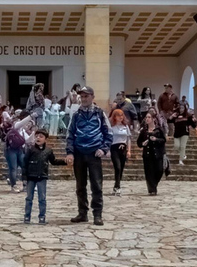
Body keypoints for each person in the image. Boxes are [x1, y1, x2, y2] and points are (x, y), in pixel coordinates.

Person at [65, 86, 112, 226]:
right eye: (82, 96)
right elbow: (70, 135)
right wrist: (70, 152)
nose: (84, 99)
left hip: (94, 154)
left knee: (96, 185)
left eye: (86, 96)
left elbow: (108, 133)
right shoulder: (76, 115)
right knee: (80, 185)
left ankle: (97, 214)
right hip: (79, 153)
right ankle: (82, 213)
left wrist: (103, 149)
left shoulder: (99, 114)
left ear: (92, 97)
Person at [23, 129, 66, 225]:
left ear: (45, 139)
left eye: (41, 136)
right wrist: (24, 177)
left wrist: (64, 161)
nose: (38, 138)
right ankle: (27, 216)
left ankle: (42, 216)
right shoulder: (30, 149)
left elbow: (53, 161)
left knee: (42, 198)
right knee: (29, 198)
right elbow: (25, 163)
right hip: (31, 176)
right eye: (37, 136)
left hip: (42, 176)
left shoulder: (48, 151)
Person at [138, 110, 167, 196]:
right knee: (149, 172)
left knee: (159, 170)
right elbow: (139, 142)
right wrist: (143, 144)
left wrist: (156, 139)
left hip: (157, 154)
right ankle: (152, 189)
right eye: (146, 117)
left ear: (153, 119)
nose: (147, 119)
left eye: (149, 117)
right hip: (147, 154)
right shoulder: (143, 130)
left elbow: (164, 140)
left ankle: (154, 184)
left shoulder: (159, 129)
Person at [108, 109, 131, 196]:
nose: (120, 117)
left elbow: (128, 139)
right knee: (117, 167)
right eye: (118, 115)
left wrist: (129, 150)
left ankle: (117, 185)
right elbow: (109, 139)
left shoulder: (125, 126)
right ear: (114, 117)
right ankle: (117, 186)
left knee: (121, 168)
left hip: (123, 149)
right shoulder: (112, 127)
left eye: (121, 115)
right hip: (114, 148)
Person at [4, 113, 29, 193]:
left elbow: (27, 140)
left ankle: (25, 184)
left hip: (20, 150)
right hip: (11, 150)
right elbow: (20, 123)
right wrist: (31, 116)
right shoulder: (14, 128)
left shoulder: (23, 132)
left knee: (24, 165)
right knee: (13, 168)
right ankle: (13, 185)